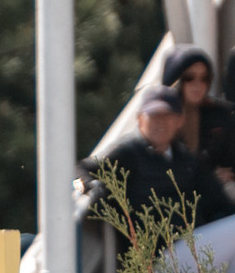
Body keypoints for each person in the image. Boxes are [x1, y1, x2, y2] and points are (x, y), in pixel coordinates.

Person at [92, 85, 235, 227]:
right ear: (140, 119)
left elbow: (217, 197)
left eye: (167, 115)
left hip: (195, 239)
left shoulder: (184, 157)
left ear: (179, 120)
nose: (160, 122)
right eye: (154, 115)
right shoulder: (127, 152)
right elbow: (85, 169)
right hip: (154, 245)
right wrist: (85, 186)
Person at [167, 45, 235, 175]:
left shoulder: (221, 116)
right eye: (189, 78)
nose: (197, 85)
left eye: (204, 78)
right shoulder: (157, 117)